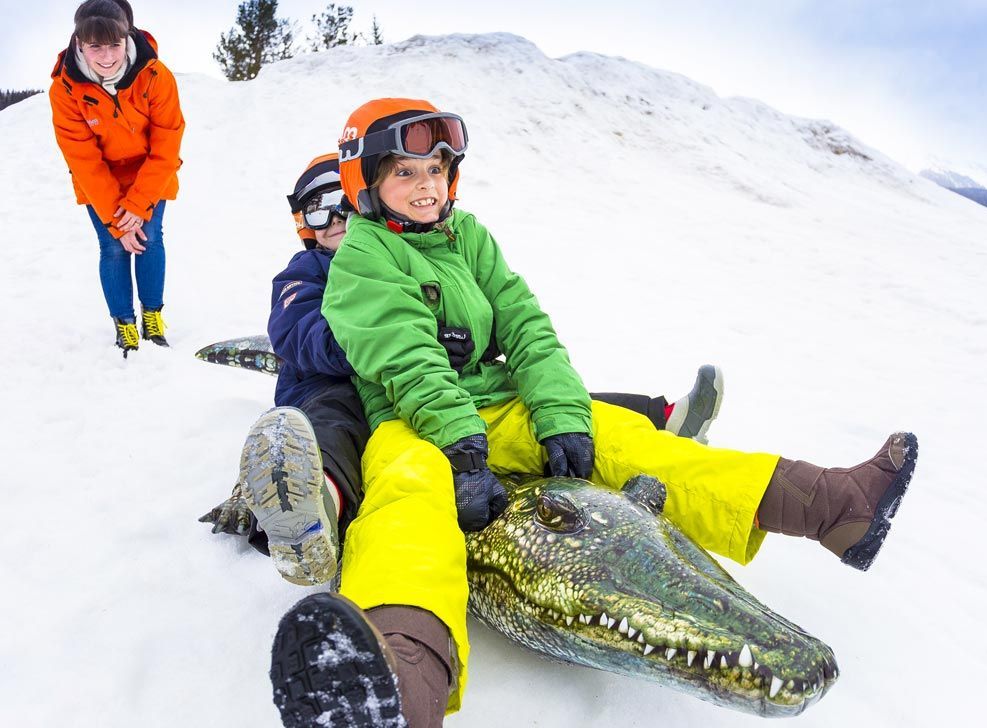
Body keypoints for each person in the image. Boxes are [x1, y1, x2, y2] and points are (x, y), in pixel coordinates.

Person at [265, 98, 918, 728]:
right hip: (412, 420)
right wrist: (462, 449)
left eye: (436, 169)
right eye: (405, 172)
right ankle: (398, 681)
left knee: (625, 437)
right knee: (409, 506)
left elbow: (526, 326)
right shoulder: (362, 257)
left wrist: (561, 416)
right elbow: (405, 356)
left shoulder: (469, 237)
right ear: (366, 184)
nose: (427, 184)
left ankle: (833, 505)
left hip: (494, 404)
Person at [200, 154, 726, 584]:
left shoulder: (414, 249)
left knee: (529, 395)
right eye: (320, 212)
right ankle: (312, 511)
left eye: (342, 204)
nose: (336, 220)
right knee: (337, 431)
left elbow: (496, 316)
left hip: (431, 383)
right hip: (336, 387)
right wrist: (388, 336)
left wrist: (465, 336)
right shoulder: (305, 272)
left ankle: (659, 417)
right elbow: (295, 334)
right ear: (303, 225)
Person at [49, 0, 184, 357]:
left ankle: (152, 317)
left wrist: (139, 205)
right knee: (113, 246)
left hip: (150, 173)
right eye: (95, 46)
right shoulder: (64, 90)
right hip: (100, 180)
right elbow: (83, 159)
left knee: (150, 239)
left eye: (114, 44)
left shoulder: (156, 75)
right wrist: (117, 219)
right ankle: (124, 323)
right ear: (79, 42)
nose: (106, 56)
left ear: (127, 38)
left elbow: (167, 143)